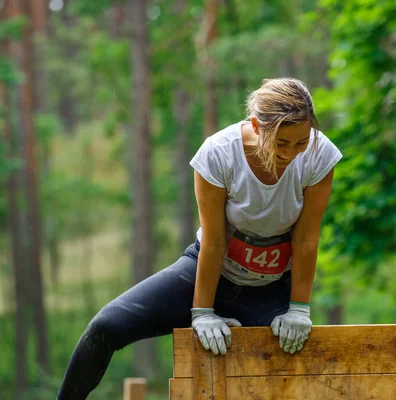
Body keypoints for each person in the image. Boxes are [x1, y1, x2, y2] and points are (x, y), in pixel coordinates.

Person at [56, 77, 342, 399]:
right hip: (207, 273)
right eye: (281, 144)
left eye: (300, 143)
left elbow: (305, 238)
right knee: (104, 328)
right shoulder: (218, 153)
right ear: (256, 127)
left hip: (270, 288)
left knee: (290, 377)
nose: (291, 154)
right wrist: (202, 312)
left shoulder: (319, 155)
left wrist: (299, 308)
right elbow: (215, 240)